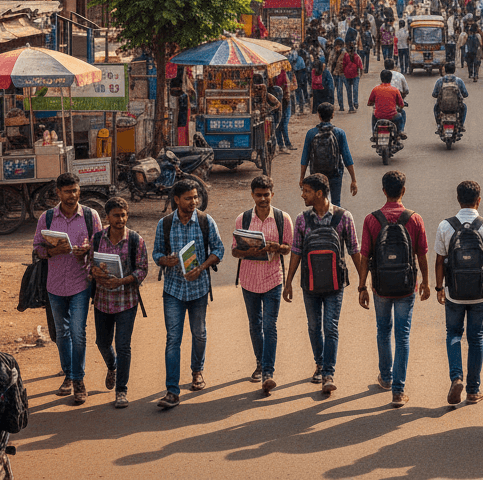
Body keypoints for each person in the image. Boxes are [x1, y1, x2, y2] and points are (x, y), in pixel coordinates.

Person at [357, 171, 431, 407]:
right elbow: (422, 255)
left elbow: (365, 256)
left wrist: (362, 287)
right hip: (406, 287)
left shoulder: (371, 220)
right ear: (404, 190)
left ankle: (386, 378)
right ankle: (398, 391)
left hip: (380, 287)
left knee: (383, 330)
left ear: (383, 191)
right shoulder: (415, 219)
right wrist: (427, 282)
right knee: (403, 335)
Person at [283, 172, 361, 395]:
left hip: (335, 284)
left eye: (306, 191)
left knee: (330, 327)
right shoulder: (301, 219)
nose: (302, 195)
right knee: (313, 326)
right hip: (309, 284)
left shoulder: (344, 217)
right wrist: (288, 282)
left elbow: (355, 250)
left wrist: (363, 282)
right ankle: (319, 363)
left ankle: (328, 372)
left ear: (319, 193)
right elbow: (296, 252)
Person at [152, 177, 225, 410]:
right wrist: (166, 260)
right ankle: (172, 391)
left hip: (199, 289)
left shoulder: (205, 221)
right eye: (189, 198)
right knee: (173, 339)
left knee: (199, 333)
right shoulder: (164, 224)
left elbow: (219, 249)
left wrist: (201, 268)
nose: (194, 201)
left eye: (196, 197)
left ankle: (197, 371)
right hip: (173, 290)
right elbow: (156, 254)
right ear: (176, 200)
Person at [32, 172, 103, 405]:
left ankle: (78, 380)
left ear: (79, 190)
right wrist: (53, 251)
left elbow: (102, 250)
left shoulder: (91, 217)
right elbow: (37, 249)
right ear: (58, 193)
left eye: (75, 190)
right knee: (61, 334)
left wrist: (87, 251)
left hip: (80, 283)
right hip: (54, 285)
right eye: (67, 192)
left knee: (77, 333)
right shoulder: (48, 218)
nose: (72, 195)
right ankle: (68, 374)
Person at [434, 180, 483, 405]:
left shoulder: (446, 225)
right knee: (476, 339)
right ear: (479, 200)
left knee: (453, 334)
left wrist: (439, 288)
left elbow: (439, 260)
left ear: (458, 199)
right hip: (480, 294)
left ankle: (456, 377)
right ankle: (473, 390)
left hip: (454, 292)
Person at [232, 175, 293, 395]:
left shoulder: (282, 218)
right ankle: (260, 362)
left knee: (269, 326)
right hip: (249, 281)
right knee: (254, 325)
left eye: (266, 194)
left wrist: (277, 247)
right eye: (259, 195)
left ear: (272, 194)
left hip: (273, 279)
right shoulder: (243, 219)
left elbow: (290, 249)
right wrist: (250, 251)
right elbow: (234, 251)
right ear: (252, 195)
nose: (263, 199)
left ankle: (268, 372)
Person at [88, 196, 148, 408]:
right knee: (102, 343)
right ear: (108, 217)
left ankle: (121, 390)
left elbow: (142, 269)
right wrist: (95, 272)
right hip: (102, 301)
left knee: (123, 346)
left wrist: (122, 281)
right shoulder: (97, 239)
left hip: (126, 302)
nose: (121, 219)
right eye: (116, 215)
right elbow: (89, 266)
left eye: (123, 215)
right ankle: (112, 366)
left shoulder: (135, 240)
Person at [299, 103, 358, 206]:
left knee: (317, 203)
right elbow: (347, 157)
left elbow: (305, 157)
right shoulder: (339, 133)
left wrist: (302, 178)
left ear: (319, 115)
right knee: (336, 204)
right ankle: (334, 222)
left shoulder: (311, 133)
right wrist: (353, 180)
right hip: (335, 174)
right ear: (332, 115)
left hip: (316, 176)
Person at [368, 67, 405, 137]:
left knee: (373, 115)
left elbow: (369, 103)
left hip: (378, 116)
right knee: (401, 115)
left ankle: (374, 133)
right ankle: (400, 131)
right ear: (390, 79)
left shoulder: (375, 89)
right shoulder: (395, 90)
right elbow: (401, 105)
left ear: (381, 78)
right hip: (392, 116)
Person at [432, 62, 469, 132]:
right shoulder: (459, 81)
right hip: (456, 107)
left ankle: (439, 125)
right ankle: (461, 125)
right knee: (464, 107)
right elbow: (465, 94)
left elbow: (434, 94)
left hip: (442, 107)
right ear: (454, 70)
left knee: (435, 107)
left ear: (445, 70)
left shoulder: (440, 81)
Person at [341, 42, 363, 113]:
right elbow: (360, 66)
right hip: (353, 76)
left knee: (349, 91)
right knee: (354, 90)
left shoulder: (349, 56)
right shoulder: (356, 56)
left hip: (349, 75)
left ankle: (352, 106)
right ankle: (354, 104)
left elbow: (343, 65)